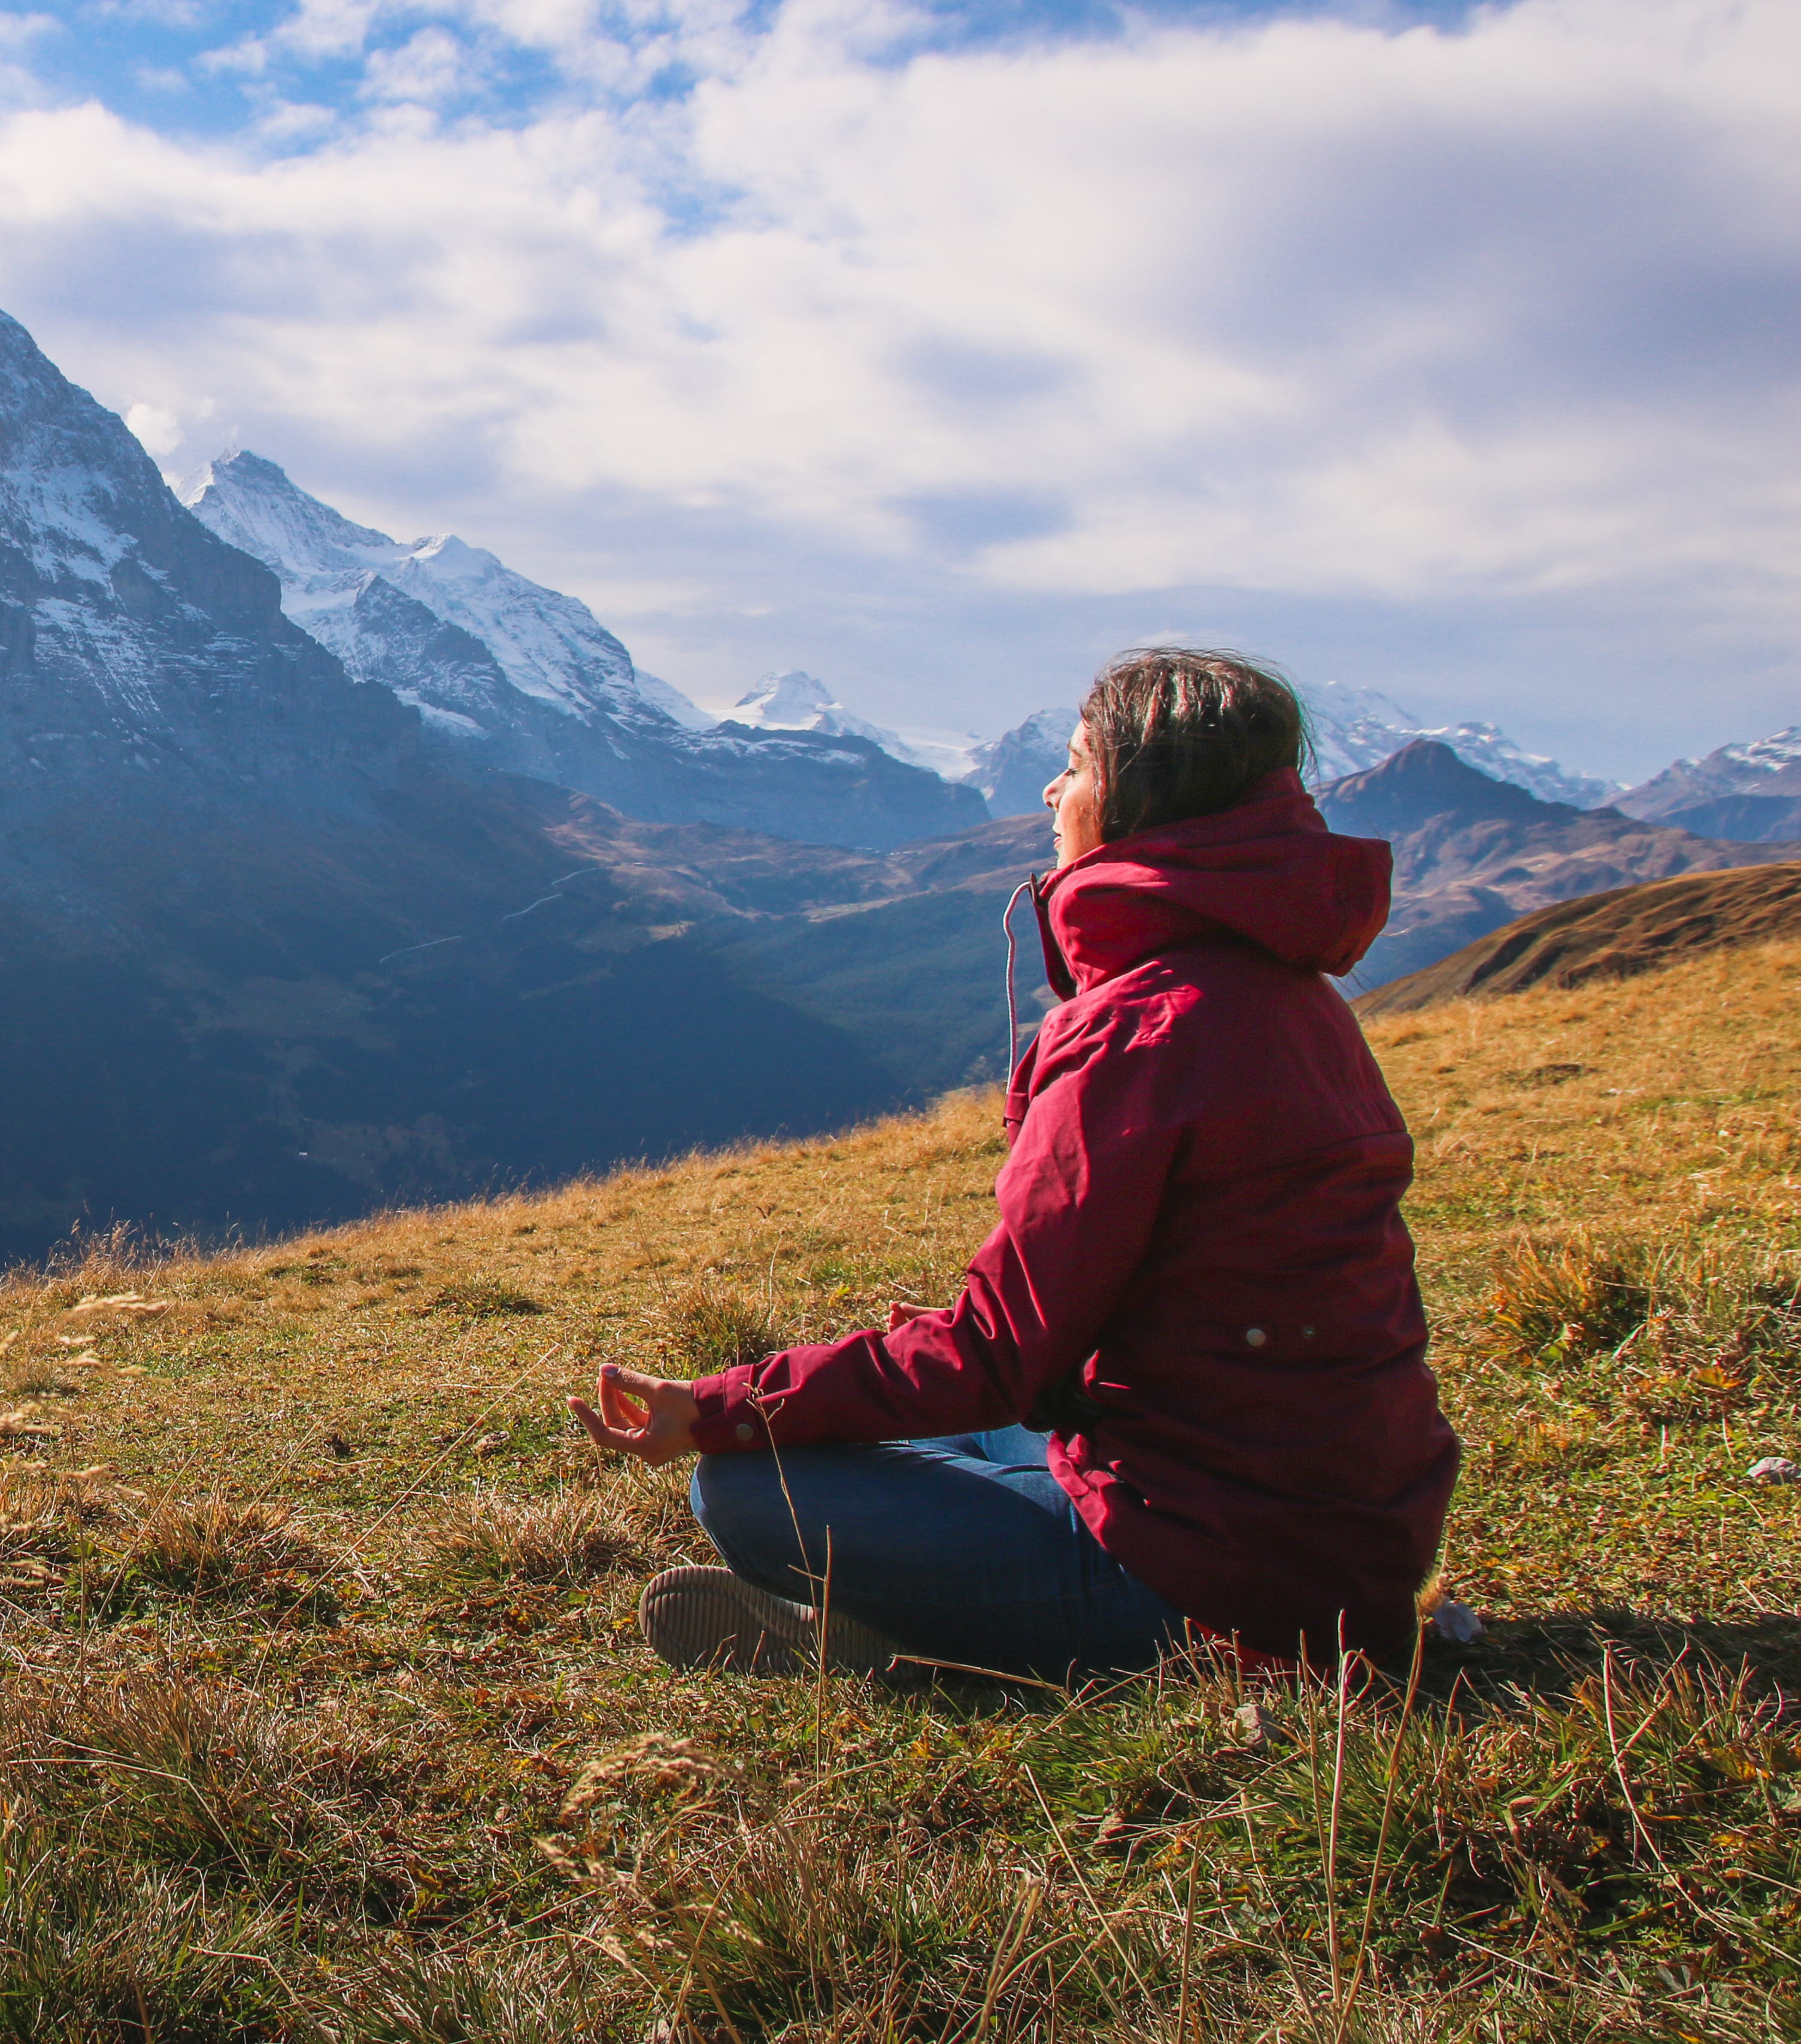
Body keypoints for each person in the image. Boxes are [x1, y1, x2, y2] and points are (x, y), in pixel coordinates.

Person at [573, 648, 1459, 1678]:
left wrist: (717, 1407)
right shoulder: (1291, 996)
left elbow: (990, 1357)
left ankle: (938, 1644)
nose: (1051, 791)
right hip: (1336, 1537)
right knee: (941, 1432)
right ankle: (920, 1616)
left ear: (1139, 800)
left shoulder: (1142, 1030)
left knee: (743, 1483)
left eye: (1077, 765)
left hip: (1217, 1578)